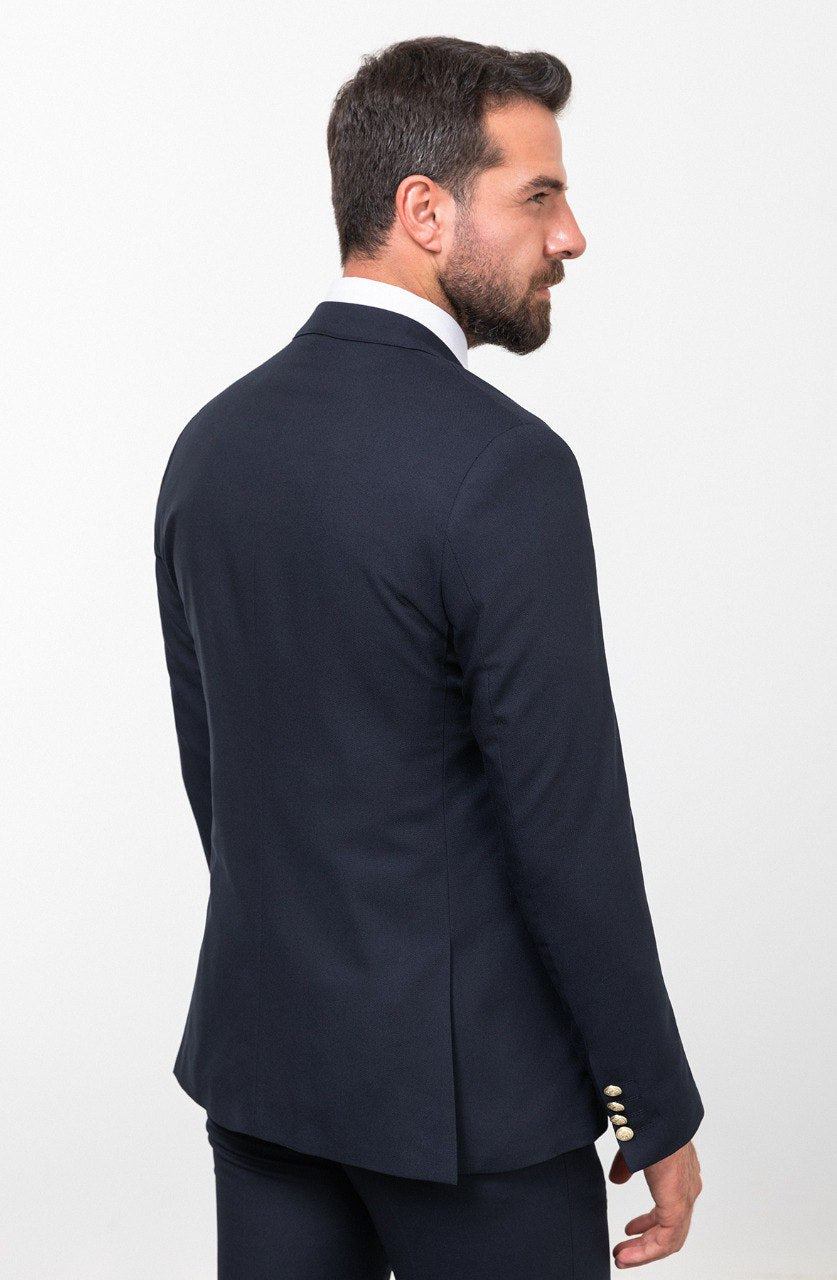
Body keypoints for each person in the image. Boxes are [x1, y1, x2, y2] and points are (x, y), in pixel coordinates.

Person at [154, 35, 704, 1279]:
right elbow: (568, 828)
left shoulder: (211, 447)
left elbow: (221, 777)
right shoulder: (505, 467)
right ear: (424, 212)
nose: (570, 236)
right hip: (474, 1107)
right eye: (538, 195)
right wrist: (651, 1101)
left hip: (267, 1071)